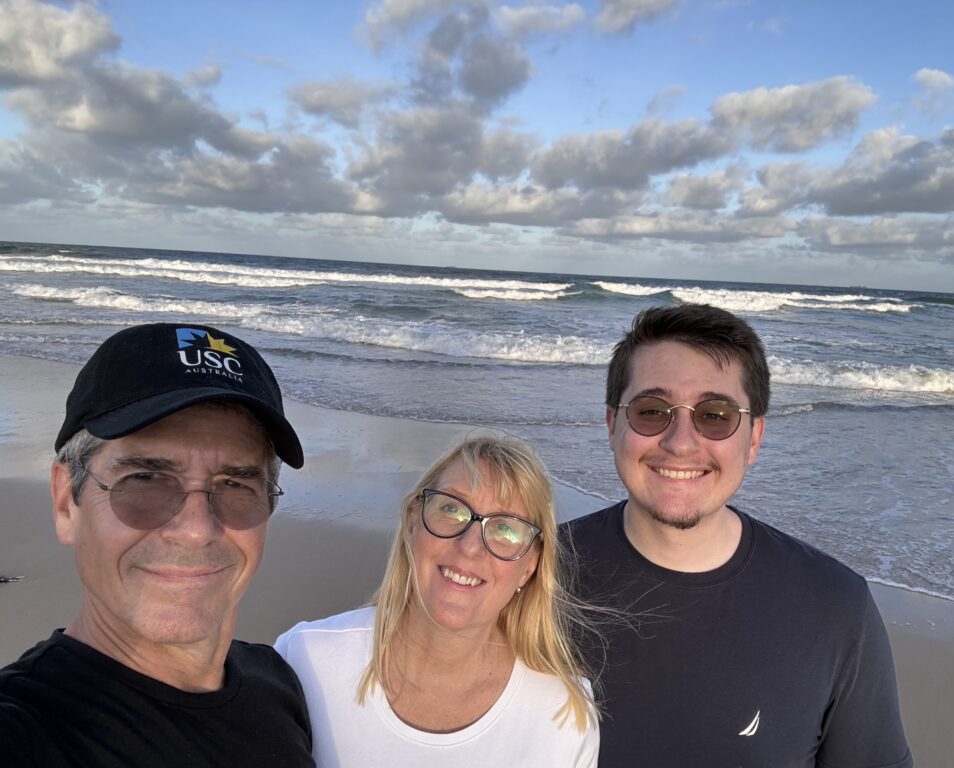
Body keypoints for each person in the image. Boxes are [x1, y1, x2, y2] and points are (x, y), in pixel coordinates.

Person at [562, 304, 912, 767]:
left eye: (715, 414)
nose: (681, 442)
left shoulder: (834, 607)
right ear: (612, 425)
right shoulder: (535, 572)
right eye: (651, 411)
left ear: (753, 438)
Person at [0, 323, 316, 768]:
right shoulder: (24, 732)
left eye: (235, 483)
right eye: (145, 478)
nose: (196, 530)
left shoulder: (279, 682)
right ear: (65, 502)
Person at [275, 434, 599, 767]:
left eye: (505, 529)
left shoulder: (564, 717)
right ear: (413, 521)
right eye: (451, 509)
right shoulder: (305, 659)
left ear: (530, 565)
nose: (470, 546)